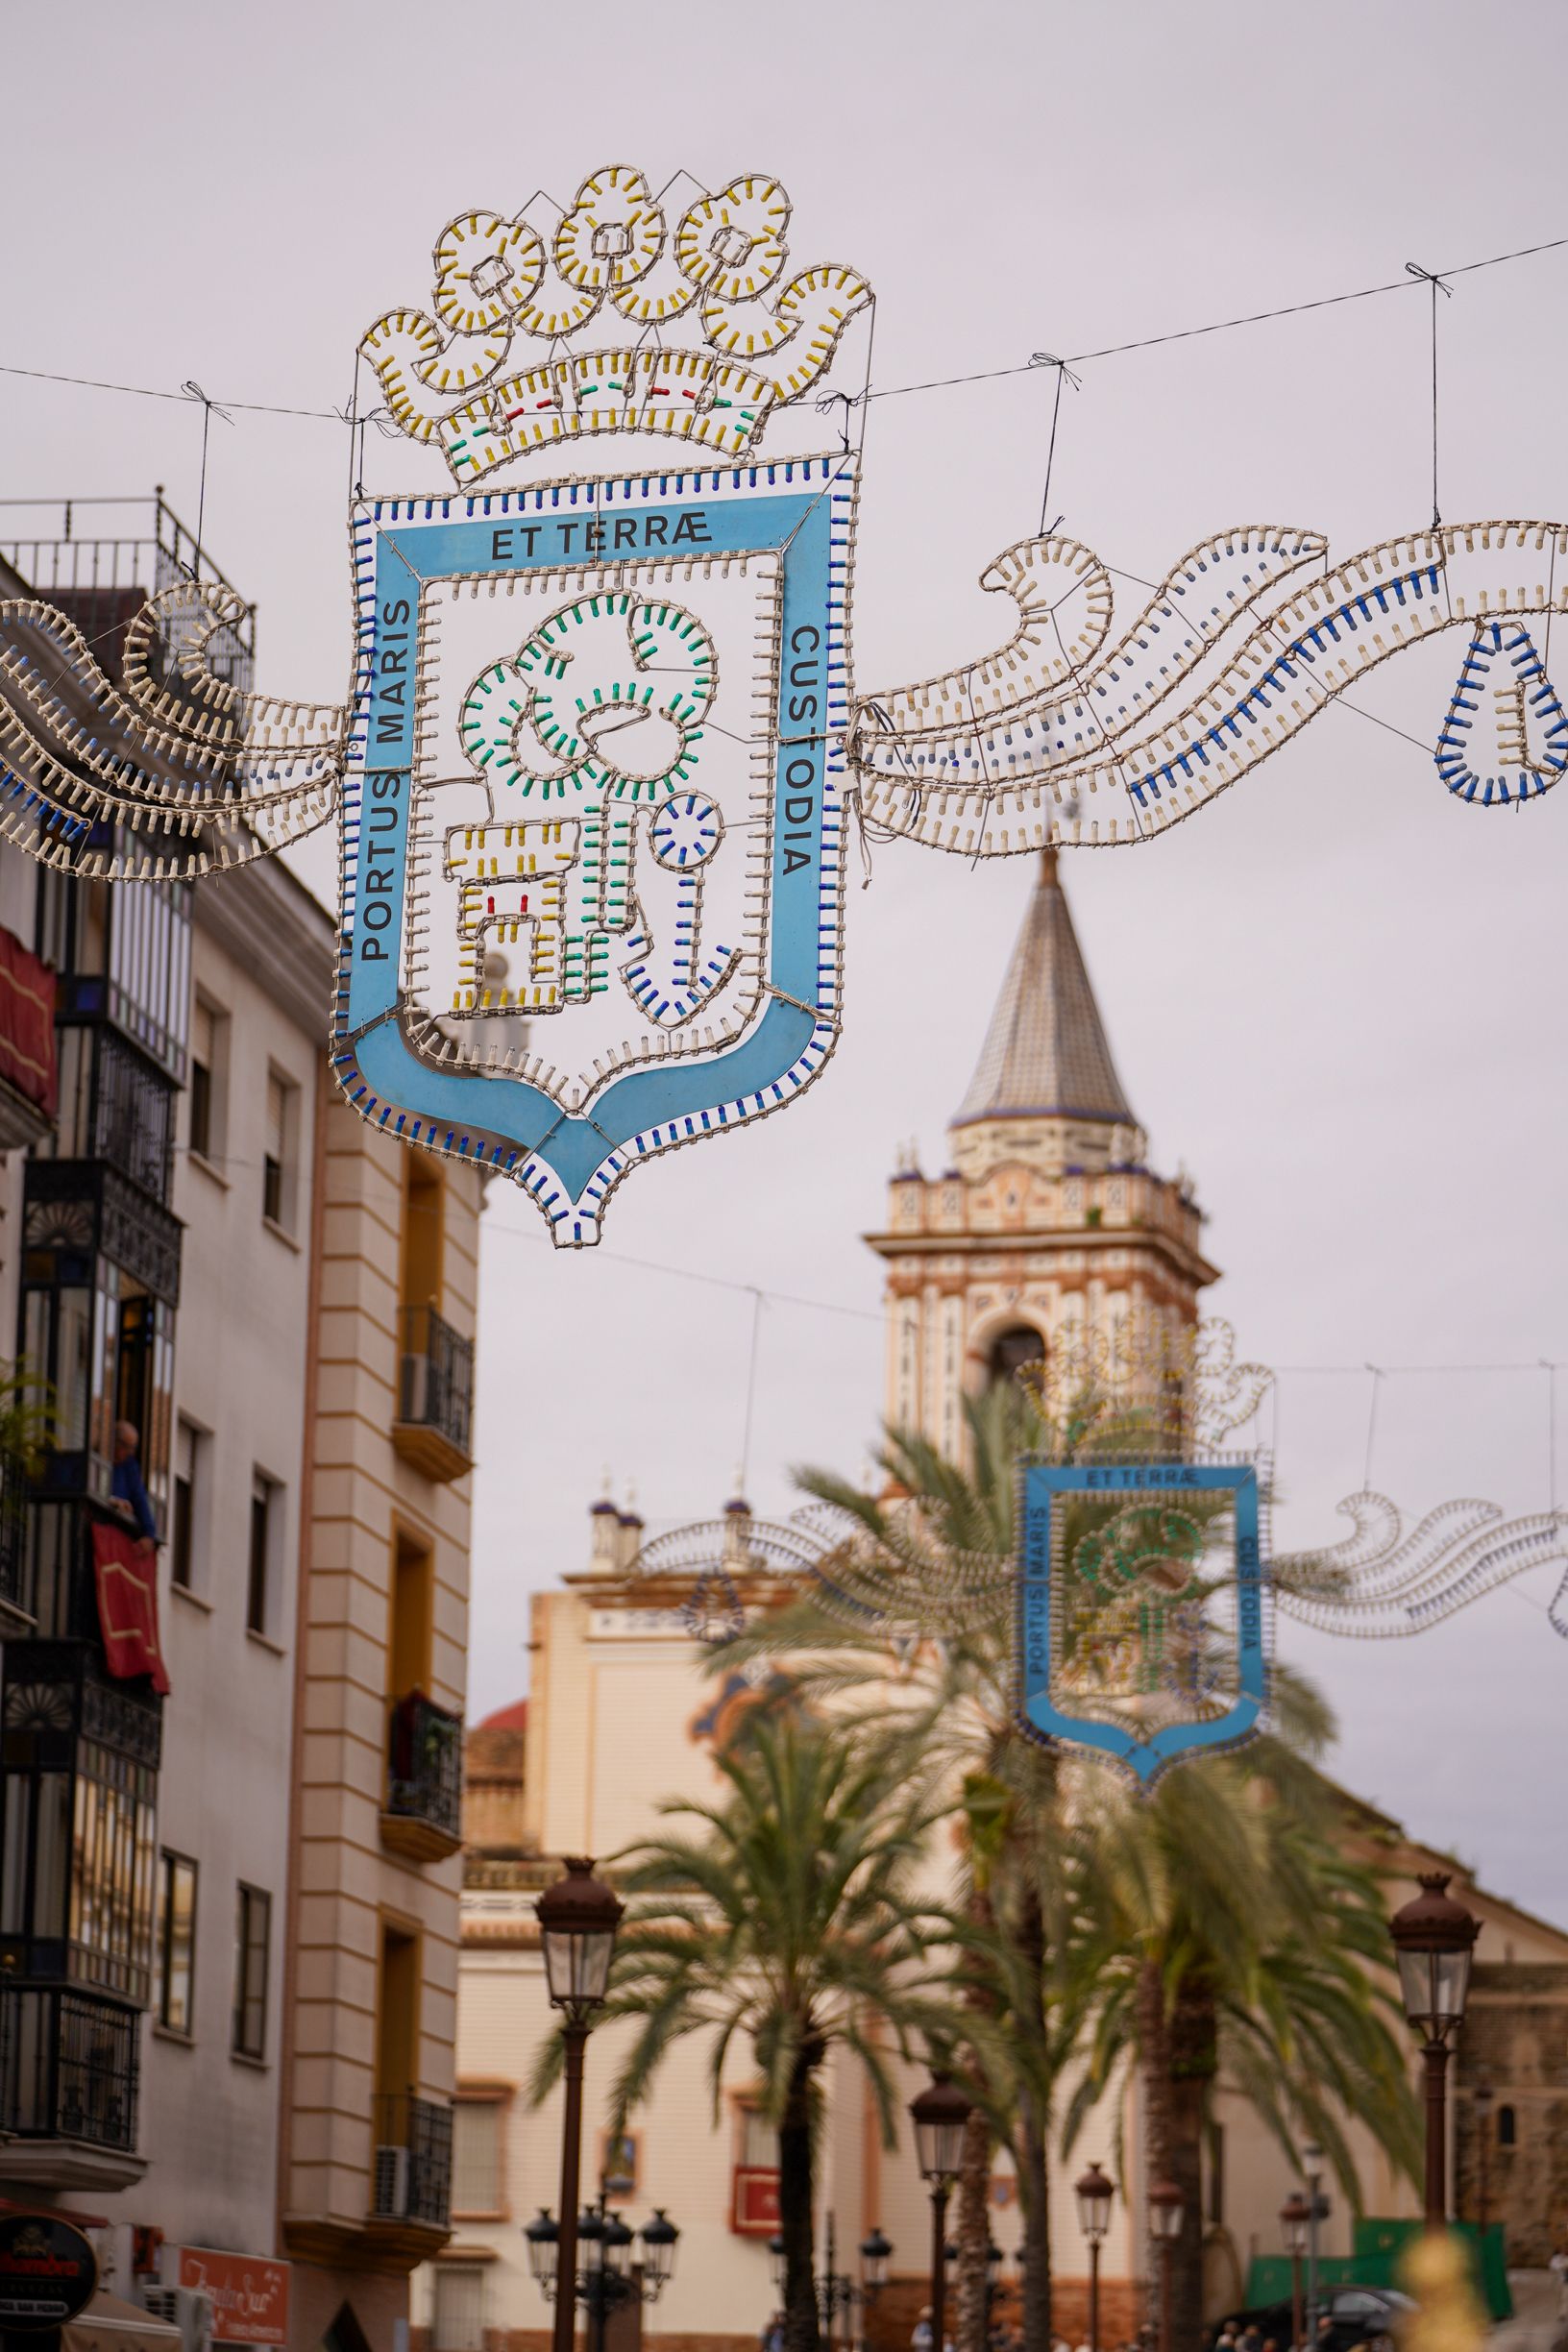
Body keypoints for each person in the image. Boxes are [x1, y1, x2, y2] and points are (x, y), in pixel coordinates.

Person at [110, 1421, 159, 1551]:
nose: (130, 1452)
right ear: (115, 1442)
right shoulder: (99, 1457)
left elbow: (140, 1499)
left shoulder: (129, 1466)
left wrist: (149, 1533)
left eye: (133, 1448)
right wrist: (112, 1501)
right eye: (126, 1447)